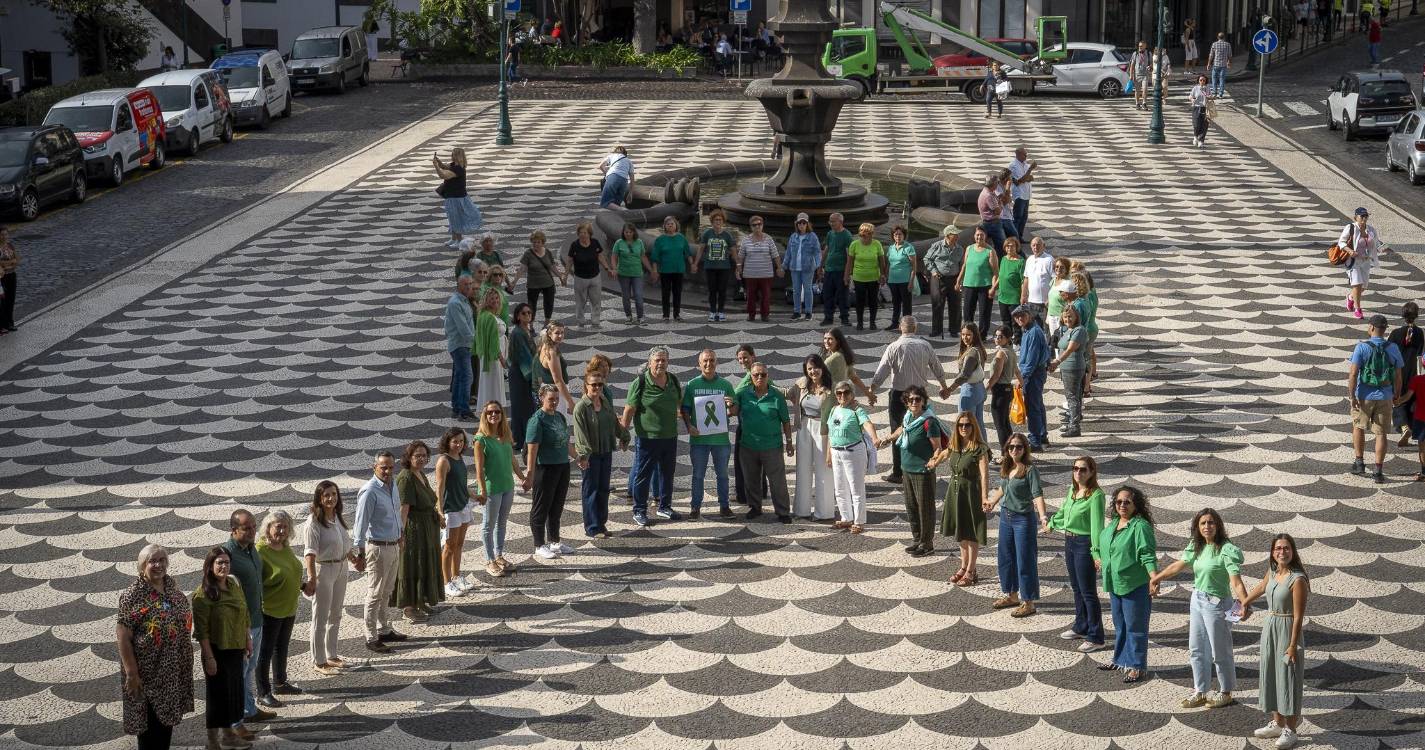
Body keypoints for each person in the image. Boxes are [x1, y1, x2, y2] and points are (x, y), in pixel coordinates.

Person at [1149, 508, 1248, 709]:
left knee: (1220, 650)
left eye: (1211, 523)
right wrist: (1157, 578)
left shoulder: (1225, 549)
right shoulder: (1197, 546)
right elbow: (1179, 565)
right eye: (1203, 523)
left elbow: (1236, 582)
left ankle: (1225, 692)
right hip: (1198, 599)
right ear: (1197, 527)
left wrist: (1244, 603)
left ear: (1218, 525)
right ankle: (1200, 691)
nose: (1207, 527)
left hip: (1218, 604)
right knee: (1196, 648)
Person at [117, 544, 193, 750]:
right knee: (149, 730)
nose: (158, 565)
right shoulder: (133, 595)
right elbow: (123, 638)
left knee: (166, 725)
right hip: (147, 674)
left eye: (161, 560)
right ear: (142, 566)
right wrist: (132, 674)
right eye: (152, 561)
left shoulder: (173, 590)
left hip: (171, 672)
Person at [1240, 534, 1311, 749]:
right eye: (1278, 548)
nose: (1282, 552)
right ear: (1273, 552)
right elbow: (1262, 587)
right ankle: (1277, 723)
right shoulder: (1273, 571)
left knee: (1288, 678)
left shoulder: (1297, 579)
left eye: (1286, 548)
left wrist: (1292, 645)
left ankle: (1291, 729)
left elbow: (1298, 616)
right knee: (1271, 673)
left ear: (1293, 551)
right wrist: (1244, 603)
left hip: (1288, 629)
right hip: (1270, 627)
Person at [870, 315, 952, 482]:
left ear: (901, 328)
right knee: (922, 431)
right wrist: (944, 386)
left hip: (899, 395)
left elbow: (882, 371)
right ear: (915, 329)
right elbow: (937, 367)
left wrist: (872, 391)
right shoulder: (925, 345)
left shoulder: (893, 347)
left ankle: (898, 472)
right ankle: (922, 465)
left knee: (896, 432)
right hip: (920, 395)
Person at [193, 547, 253, 750]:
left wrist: (248, 639)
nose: (223, 566)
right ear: (210, 566)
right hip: (217, 651)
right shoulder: (202, 595)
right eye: (219, 562)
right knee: (217, 697)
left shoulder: (234, 584)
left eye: (226, 562)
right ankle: (212, 742)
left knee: (233, 694)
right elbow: (202, 632)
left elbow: (244, 612)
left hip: (236, 648)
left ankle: (228, 735)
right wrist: (209, 658)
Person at [878, 385, 949, 556]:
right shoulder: (909, 417)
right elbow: (902, 429)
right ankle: (917, 539)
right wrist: (888, 438)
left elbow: (937, 448)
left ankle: (927, 544)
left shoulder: (928, 421)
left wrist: (934, 461)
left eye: (918, 399)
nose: (914, 402)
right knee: (911, 507)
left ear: (924, 401)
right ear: (906, 402)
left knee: (925, 508)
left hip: (922, 471)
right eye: (911, 399)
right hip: (907, 469)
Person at [1047, 456, 1107, 652]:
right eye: (1075, 469)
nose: (1078, 473)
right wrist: (1051, 524)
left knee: (1088, 591)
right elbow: (1063, 512)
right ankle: (1081, 626)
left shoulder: (1096, 495)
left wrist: (1096, 553)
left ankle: (1096, 636)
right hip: (1069, 541)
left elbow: (1097, 526)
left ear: (1091, 472)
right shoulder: (1072, 490)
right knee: (1076, 587)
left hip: (1084, 543)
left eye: (1083, 469)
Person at [984, 434, 1047, 617]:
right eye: (1011, 447)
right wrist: (992, 502)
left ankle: (1028, 602)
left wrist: (1042, 516)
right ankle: (1012, 595)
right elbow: (1003, 487)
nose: (1014, 450)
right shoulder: (1008, 465)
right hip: (1006, 516)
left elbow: (1037, 494)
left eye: (1018, 447)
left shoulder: (1030, 470)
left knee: (1025, 560)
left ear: (1024, 449)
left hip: (1023, 519)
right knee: (1006, 557)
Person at [1100, 485, 1158, 683]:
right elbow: (1102, 547)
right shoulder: (1114, 524)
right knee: (1120, 624)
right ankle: (1120, 659)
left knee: (1136, 626)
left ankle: (1137, 666)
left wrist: (1154, 578)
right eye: (1118, 501)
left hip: (1135, 583)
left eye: (1127, 502)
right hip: (1115, 583)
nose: (1122, 505)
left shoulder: (1140, 526)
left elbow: (1147, 554)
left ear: (1136, 505)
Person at [301, 481, 359, 676]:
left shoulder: (337, 518)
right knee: (320, 617)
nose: (331, 498)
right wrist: (311, 578)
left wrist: (352, 558)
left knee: (336, 613)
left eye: (334, 494)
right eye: (326, 495)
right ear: (319, 498)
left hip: (341, 567)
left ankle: (332, 655)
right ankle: (318, 660)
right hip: (323, 570)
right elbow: (309, 553)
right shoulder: (313, 522)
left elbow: (344, 543)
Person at [219, 510, 269, 729]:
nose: (252, 532)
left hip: (257, 620)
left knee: (250, 668)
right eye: (246, 528)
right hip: (240, 626)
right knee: (238, 672)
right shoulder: (226, 555)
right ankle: (234, 722)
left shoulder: (250, 549)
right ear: (233, 530)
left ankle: (249, 710)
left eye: (253, 527)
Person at [624, 346, 684, 526]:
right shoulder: (640, 382)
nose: (660, 363)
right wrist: (624, 432)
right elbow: (629, 409)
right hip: (647, 438)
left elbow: (680, 403)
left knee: (667, 473)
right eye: (657, 360)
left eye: (664, 360)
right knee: (643, 474)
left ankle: (665, 506)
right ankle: (639, 510)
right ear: (649, 362)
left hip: (669, 436)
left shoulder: (672, 380)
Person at [353, 451, 406, 654]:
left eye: (391, 467)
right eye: (383, 467)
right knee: (374, 592)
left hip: (393, 544)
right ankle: (370, 635)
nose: (388, 471)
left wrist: (401, 532)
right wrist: (359, 553)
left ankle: (384, 628)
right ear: (374, 467)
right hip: (377, 547)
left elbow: (396, 510)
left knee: (387, 591)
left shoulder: (392, 486)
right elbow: (360, 523)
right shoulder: (369, 491)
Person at [254, 511, 305, 709]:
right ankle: (263, 692)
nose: (282, 531)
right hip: (270, 609)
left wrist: (301, 585)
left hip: (288, 607)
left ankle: (280, 683)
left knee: (281, 647)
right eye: (278, 526)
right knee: (265, 652)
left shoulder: (284, 547)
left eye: (285, 527)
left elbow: (290, 570)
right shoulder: (260, 551)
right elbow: (256, 581)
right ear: (268, 528)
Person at [732, 362, 794, 522]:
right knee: (751, 479)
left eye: (763, 375)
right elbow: (732, 412)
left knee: (777, 481)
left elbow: (786, 421)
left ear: (768, 376)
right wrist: (728, 404)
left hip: (772, 446)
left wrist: (789, 442)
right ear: (750, 377)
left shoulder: (776, 396)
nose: (760, 377)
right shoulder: (744, 394)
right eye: (756, 375)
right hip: (748, 445)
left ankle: (783, 511)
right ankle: (755, 507)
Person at [1349, 313, 1405, 483]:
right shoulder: (1393, 348)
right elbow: (1398, 376)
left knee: (1358, 426)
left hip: (1364, 395)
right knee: (1381, 434)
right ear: (1384, 330)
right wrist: (1396, 395)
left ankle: (1359, 463)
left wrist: (1352, 396)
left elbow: (1353, 373)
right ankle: (1378, 471)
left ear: (1371, 327)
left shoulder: (1362, 347)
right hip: (1385, 396)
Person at [391, 441, 443, 621]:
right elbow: (403, 510)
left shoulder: (420, 474)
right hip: (414, 530)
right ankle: (409, 607)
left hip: (427, 527)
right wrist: (400, 534)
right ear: (409, 457)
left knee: (424, 564)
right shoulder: (406, 478)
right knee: (413, 565)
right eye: (417, 456)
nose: (421, 459)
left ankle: (420, 600)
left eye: (424, 456)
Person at [683, 349, 738, 518]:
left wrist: (730, 406)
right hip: (699, 439)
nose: (708, 364)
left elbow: (734, 410)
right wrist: (689, 426)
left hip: (720, 439)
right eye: (705, 361)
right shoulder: (692, 385)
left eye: (712, 360)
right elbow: (685, 409)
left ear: (717, 362)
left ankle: (724, 506)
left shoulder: (726, 385)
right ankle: (695, 507)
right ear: (699, 364)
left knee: (722, 474)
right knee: (698, 475)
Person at [525, 384, 578, 558]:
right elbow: (532, 449)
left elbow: (566, 441)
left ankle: (555, 541)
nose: (554, 402)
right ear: (541, 398)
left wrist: (577, 457)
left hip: (562, 465)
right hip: (545, 468)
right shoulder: (536, 420)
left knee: (557, 506)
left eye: (556, 399)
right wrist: (530, 473)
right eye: (551, 399)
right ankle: (539, 544)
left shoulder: (559, 417)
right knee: (541, 506)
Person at [575, 371, 629, 537]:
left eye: (600, 384)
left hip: (606, 451)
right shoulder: (581, 408)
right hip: (591, 455)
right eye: (594, 385)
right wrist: (583, 456)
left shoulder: (604, 401)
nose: (597, 388)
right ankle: (592, 527)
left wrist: (624, 435)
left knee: (603, 488)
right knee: (591, 490)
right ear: (586, 386)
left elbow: (613, 421)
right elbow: (580, 434)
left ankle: (601, 523)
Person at [822, 379, 878, 533]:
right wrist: (829, 454)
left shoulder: (856, 410)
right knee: (839, 488)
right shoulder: (834, 410)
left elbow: (868, 424)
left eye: (846, 392)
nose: (842, 396)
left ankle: (859, 521)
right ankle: (846, 518)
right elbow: (831, 433)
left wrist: (875, 438)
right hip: (836, 452)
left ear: (852, 394)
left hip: (854, 452)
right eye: (839, 393)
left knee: (856, 488)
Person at [942, 410, 990, 586]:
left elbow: (985, 475)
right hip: (955, 492)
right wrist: (934, 460)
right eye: (960, 425)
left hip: (971, 492)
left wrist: (985, 497)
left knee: (971, 532)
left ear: (973, 427)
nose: (964, 428)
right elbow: (944, 454)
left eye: (967, 425)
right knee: (961, 530)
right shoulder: (955, 445)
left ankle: (971, 569)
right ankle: (963, 566)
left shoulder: (979, 448)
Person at [473, 406, 523, 571]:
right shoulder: (480, 440)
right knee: (488, 524)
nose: (493, 414)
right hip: (491, 488)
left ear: (502, 415)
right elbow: (479, 469)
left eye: (497, 412)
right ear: (485, 416)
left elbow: (512, 460)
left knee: (502, 523)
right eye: (490, 412)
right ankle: (489, 560)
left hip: (508, 486)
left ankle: (499, 555)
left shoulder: (505, 435)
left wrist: (522, 478)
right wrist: (482, 490)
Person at [788, 355, 835, 520]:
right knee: (802, 468)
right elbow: (787, 393)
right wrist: (764, 384)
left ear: (822, 368)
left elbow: (844, 403)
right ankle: (801, 510)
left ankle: (824, 512)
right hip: (804, 427)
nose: (813, 371)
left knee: (824, 470)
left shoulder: (831, 388)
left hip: (823, 429)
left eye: (815, 367)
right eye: (809, 369)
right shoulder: (801, 384)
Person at [432, 427, 474, 592]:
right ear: (447, 442)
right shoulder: (444, 460)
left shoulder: (459, 457)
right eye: (455, 441)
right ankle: (447, 582)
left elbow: (462, 484)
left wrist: (474, 496)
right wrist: (440, 510)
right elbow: (440, 487)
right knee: (449, 546)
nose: (458, 444)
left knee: (459, 544)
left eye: (461, 441)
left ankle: (457, 576)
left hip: (463, 505)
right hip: (451, 509)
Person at [1339, 207, 1388, 319]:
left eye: (1366, 216)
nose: (1365, 218)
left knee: (1364, 286)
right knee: (1357, 284)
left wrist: (1383, 248)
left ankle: (1351, 297)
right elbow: (1341, 243)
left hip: (1366, 261)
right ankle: (1358, 309)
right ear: (1356, 217)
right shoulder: (1350, 228)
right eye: (1362, 216)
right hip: (1353, 261)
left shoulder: (1371, 229)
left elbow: (1376, 243)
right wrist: (1350, 251)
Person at [1049, 306, 1089, 438]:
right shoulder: (1068, 330)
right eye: (1065, 317)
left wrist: (1057, 361)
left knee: (1072, 397)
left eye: (1070, 316)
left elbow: (1070, 349)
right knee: (1075, 397)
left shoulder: (1079, 330)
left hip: (1073, 367)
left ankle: (1074, 426)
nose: (1068, 319)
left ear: (1077, 316)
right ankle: (1074, 421)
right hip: (1068, 367)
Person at [1015, 305, 1051, 449]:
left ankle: (1035, 440)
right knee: (1038, 404)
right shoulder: (1029, 330)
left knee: (1033, 407)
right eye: (1017, 316)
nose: (1019, 318)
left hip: (1033, 374)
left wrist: (1022, 378)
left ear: (1029, 315)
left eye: (1022, 315)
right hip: (1036, 372)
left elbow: (1031, 359)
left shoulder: (1033, 332)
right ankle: (1042, 435)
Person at [1388, 303, 1422, 448]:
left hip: (1399, 371)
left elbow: (1388, 353)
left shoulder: (1395, 333)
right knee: (1410, 400)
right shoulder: (1420, 333)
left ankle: (1403, 427)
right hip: (1414, 371)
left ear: (1402, 315)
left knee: (1397, 399)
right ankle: (1408, 432)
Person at [948, 325, 989, 446]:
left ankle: (968, 454)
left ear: (974, 335)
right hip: (979, 389)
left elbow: (964, 375)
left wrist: (949, 389)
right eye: (963, 334)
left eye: (968, 334)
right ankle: (984, 453)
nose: (965, 337)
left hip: (970, 391)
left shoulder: (971, 353)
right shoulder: (978, 348)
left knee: (965, 425)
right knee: (978, 424)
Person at [736, 215, 783, 322]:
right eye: (754, 225)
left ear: (762, 225)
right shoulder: (745, 240)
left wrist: (779, 267)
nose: (757, 227)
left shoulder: (769, 239)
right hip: (750, 274)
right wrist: (738, 268)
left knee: (766, 296)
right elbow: (741, 256)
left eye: (759, 224)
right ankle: (751, 315)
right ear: (751, 227)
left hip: (766, 273)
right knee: (750, 296)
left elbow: (775, 255)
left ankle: (765, 315)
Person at [434, 149, 482, 248]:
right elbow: (445, 167)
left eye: (453, 154)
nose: (451, 155)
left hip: (456, 198)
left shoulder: (458, 169)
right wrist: (440, 163)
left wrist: (435, 166)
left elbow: (443, 175)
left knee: (456, 218)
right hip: (452, 196)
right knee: (452, 217)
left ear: (456, 156)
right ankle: (454, 238)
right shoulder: (455, 166)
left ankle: (459, 240)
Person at [444, 276, 477, 421]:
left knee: (459, 376)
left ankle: (457, 408)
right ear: (459, 286)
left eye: (470, 284)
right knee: (467, 377)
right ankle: (464, 410)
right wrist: (476, 343)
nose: (469, 287)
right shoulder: (456, 303)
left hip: (462, 344)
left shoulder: (463, 301)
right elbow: (463, 327)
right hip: (460, 344)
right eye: (466, 285)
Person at [956, 226, 998, 339]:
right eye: (977, 235)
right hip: (969, 285)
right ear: (974, 236)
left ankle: (982, 336)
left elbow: (995, 272)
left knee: (984, 312)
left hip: (985, 286)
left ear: (985, 237)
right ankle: (968, 334)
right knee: (967, 312)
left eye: (982, 235)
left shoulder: (990, 251)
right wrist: (959, 280)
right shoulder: (969, 248)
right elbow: (964, 265)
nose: (979, 237)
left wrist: (993, 288)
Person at [567, 221, 611, 329]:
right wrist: (565, 273)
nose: (583, 235)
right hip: (580, 277)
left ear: (589, 234)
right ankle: (580, 321)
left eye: (585, 233)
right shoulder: (575, 245)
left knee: (596, 300)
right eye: (581, 232)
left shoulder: (595, 243)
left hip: (595, 276)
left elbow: (600, 256)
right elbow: (569, 260)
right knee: (580, 301)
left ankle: (595, 321)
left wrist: (607, 268)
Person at [694, 209, 736, 322]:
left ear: (723, 221)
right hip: (710, 267)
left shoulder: (727, 235)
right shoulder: (707, 233)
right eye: (716, 220)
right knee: (712, 290)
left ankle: (721, 311)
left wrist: (738, 265)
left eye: (720, 220)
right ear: (712, 221)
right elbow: (701, 249)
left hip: (724, 267)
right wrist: (695, 263)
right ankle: (712, 311)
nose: (718, 222)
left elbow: (733, 251)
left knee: (722, 290)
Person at [516, 230, 565, 324]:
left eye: (538, 242)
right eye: (534, 242)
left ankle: (547, 323)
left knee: (549, 303)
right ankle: (530, 325)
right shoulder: (528, 254)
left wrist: (560, 277)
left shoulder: (548, 252)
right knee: (531, 305)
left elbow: (552, 266)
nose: (536, 244)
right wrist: (514, 282)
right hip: (533, 284)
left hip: (547, 283)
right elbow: (522, 268)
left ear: (543, 242)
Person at [650, 216, 694, 321]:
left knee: (677, 293)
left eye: (672, 223)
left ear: (676, 225)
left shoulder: (681, 238)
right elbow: (655, 257)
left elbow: (688, 253)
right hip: (665, 271)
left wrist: (692, 264)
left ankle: (676, 314)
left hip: (679, 270)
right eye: (668, 224)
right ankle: (665, 315)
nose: (670, 225)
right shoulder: (660, 240)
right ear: (665, 226)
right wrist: (655, 271)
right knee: (665, 293)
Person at [846, 222, 887, 330]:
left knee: (873, 300)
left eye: (865, 234)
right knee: (860, 301)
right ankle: (860, 323)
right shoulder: (854, 244)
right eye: (861, 233)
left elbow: (882, 261)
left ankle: (872, 322)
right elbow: (849, 262)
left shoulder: (877, 244)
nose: (863, 236)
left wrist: (883, 275)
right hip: (859, 277)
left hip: (874, 277)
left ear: (871, 234)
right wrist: (846, 276)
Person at [923, 226, 962, 339]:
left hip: (954, 278)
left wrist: (960, 279)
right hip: (939, 278)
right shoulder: (937, 246)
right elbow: (927, 259)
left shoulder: (959, 248)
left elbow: (961, 264)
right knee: (937, 304)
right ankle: (937, 329)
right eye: (955, 234)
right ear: (948, 235)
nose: (957, 236)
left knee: (955, 304)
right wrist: (933, 271)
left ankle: (954, 329)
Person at [507, 303, 537, 452]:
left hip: (523, 371)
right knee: (521, 407)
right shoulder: (518, 333)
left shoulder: (527, 330)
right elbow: (524, 356)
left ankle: (523, 438)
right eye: (524, 313)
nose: (527, 316)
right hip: (521, 373)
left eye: (529, 313)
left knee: (526, 406)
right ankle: (520, 440)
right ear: (518, 316)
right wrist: (533, 375)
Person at [986, 325, 1019, 454]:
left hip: (1000, 390)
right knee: (1005, 423)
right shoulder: (1011, 351)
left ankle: (1005, 453)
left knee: (1000, 425)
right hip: (1008, 389)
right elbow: (1017, 371)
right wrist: (1022, 384)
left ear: (1008, 338)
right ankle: (1012, 451)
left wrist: (986, 388)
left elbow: (996, 375)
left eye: (1000, 337)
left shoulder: (1001, 353)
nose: (997, 339)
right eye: (995, 336)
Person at [820, 327, 875, 403]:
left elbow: (818, 378)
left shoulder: (833, 358)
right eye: (825, 338)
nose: (826, 341)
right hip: (843, 398)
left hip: (831, 399)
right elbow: (854, 378)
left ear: (837, 341)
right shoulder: (843, 356)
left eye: (830, 339)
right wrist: (868, 394)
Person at [474, 287, 507, 409]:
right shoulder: (489, 317)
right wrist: (502, 359)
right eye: (492, 298)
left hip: (487, 356)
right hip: (493, 357)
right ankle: (494, 407)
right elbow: (493, 341)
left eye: (497, 297)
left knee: (489, 383)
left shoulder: (483, 315)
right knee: (494, 384)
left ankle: (489, 407)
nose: (495, 300)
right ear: (486, 300)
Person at [785, 212, 822, 321]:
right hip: (794, 268)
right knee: (796, 290)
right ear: (796, 224)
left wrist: (819, 266)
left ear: (807, 224)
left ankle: (808, 312)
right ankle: (797, 311)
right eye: (799, 223)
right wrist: (783, 266)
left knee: (807, 290)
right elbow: (788, 253)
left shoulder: (812, 236)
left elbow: (817, 252)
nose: (801, 225)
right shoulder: (793, 236)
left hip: (808, 268)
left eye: (804, 223)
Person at [611, 222, 649, 325]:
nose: (628, 234)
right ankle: (628, 316)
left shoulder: (639, 242)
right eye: (626, 232)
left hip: (637, 273)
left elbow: (643, 256)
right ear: (623, 232)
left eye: (630, 232)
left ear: (633, 232)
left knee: (638, 295)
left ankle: (640, 317)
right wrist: (614, 269)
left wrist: (651, 269)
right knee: (626, 296)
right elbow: (614, 257)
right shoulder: (619, 243)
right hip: (623, 273)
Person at [820, 213, 853, 325]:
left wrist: (847, 273)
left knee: (842, 295)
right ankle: (828, 317)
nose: (831, 223)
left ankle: (844, 317)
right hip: (829, 269)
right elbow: (826, 250)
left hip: (841, 270)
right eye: (830, 221)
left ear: (840, 222)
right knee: (827, 294)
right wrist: (820, 266)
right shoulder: (830, 234)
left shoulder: (846, 235)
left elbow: (849, 255)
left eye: (833, 221)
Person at [1396, 353, 1425, 480]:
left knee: (1422, 446)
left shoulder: (1417, 380)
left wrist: (1397, 401)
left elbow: (1407, 397)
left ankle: (1424, 473)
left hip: (1421, 419)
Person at [884, 226, 918, 329]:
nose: (898, 236)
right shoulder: (891, 248)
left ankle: (907, 325)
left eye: (900, 234)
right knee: (896, 303)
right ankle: (894, 323)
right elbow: (889, 264)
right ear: (893, 236)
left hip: (905, 280)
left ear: (904, 235)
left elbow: (914, 267)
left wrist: (911, 281)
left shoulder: (909, 247)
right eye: (896, 234)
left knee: (906, 305)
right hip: (893, 280)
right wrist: (885, 276)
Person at [996, 236, 1026, 342]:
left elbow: (1023, 280)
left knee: (1015, 321)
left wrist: (1023, 295)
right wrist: (993, 288)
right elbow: (1001, 276)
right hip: (1003, 296)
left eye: (1012, 246)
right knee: (1005, 321)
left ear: (1016, 247)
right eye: (1007, 246)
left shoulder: (1020, 261)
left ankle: (1017, 341)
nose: (1010, 248)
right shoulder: (1003, 259)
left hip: (1014, 296)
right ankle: (1007, 340)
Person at [1020, 236, 1053, 329]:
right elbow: (1026, 278)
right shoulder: (1029, 259)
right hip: (1032, 300)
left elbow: (1054, 279)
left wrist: (1050, 298)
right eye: (1033, 245)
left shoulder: (1049, 260)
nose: (1035, 247)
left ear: (1043, 246)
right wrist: (1023, 295)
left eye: (1038, 245)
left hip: (1045, 301)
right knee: (1033, 325)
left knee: (1047, 327)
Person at [1008, 148, 1036, 238]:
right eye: (1024, 154)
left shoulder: (1025, 164)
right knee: (1017, 217)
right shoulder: (1013, 166)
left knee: (1024, 218)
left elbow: (1031, 178)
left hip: (1026, 194)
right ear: (1018, 155)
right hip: (1019, 195)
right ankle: (1015, 238)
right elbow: (1018, 181)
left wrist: (1025, 178)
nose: (1026, 156)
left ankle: (1020, 236)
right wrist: (1030, 170)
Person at [975, 176, 1006, 254]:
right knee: (1002, 245)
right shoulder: (989, 195)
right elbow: (998, 211)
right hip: (993, 223)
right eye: (997, 183)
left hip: (987, 222)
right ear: (994, 184)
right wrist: (1001, 203)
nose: (998, 185)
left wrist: (997, 199)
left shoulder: (985, 191)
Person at [1045, 256, 1072, 336]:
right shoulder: (1053, 280)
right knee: (1054, 340)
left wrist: (1064, 317)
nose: (1058, 269)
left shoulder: (1068, 283)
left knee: (1061, 341)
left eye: (1062, 267)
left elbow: (1070, 303)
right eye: (1057, 267)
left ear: (1066, 269)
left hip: (1061, 317)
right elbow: (1051, 295)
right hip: (1051, 315)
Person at [0, 226, 17, 333]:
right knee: (3, 301)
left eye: (6, 234)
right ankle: (3, 324)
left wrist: (7, 264)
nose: (4, 236)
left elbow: (16, 260)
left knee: (11, 300)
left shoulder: (10, 246)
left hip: (12, 275)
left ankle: (10, 323)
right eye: (2, 234)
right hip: (2, 277)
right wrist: (9, 263)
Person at [1189, 74, 1211, 148]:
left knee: (1204, 125)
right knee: (1196, 124)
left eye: (1204, 80)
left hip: (1205, 108)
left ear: (1206, 81)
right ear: (1198, 81)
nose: (1202, 81)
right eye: (1201, 80)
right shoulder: (1195, 88)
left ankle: (1201, 141)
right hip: (1196, 108)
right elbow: (1190, 96)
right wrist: (1192, 99)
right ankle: (1195, 136)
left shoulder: (1207, 88)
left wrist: (1210, 97)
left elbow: (1210, 96)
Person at [1127, 41, 1150, 109]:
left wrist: (1150, 67)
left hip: (1145, 74)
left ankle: (1144, 103)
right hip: (1137, 75)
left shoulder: (1149, 53)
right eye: (1139, 46)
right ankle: (1137, 103)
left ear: (1145, 46)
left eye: (1141, 46)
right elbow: (1132, 65)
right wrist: (1131, 75)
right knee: (1137, 90)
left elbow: (1151, 63)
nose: (1139, 47)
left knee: (1145, 89)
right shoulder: (1135, 53)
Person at [1207, 32, 1231, 98]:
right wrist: (1229, 62)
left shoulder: (1214, 44)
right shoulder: (1227, 44)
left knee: (1214, 79)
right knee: (1222, 79)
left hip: (1216, 65)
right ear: (1224, 37)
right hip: (1223, 65)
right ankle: (1220, 94)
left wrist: (1208, 64)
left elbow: (1211, 55)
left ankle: (1214, 93)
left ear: (1218, 37)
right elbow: (1230, 55)